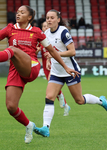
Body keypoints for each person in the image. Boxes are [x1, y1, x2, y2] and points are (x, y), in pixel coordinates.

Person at [0, 5, 79, 144]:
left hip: (32, 66)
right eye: (17, 12)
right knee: (11, 107)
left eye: (22, 12)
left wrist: (65, 67)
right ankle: (29, 126)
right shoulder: (10, 28)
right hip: (15, 71)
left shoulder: (37, 32)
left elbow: (52, 51)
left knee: (12, 49)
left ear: (29, 17)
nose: (18, 14)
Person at [34, 9, 107, 138]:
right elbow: (47, 50)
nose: (49, 20)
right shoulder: (45, 33)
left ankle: (102, 101)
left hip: (70, 70)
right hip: (56, 72)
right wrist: (47, 59)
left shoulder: (63, 32)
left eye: (52, 18)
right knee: (49, 97)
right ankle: (46, 128)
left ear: (58, 19)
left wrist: (54, 55)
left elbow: (72, 52)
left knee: (79, 100)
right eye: (47, 18)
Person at [37, 21, 71, 116]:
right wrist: (37, 50)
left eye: (47, 26)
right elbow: (38, 49)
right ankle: (66, 106)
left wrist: (49, 60)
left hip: (53, 63)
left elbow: (52, 51)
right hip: (45, 64)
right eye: (44, 26)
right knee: (52, 89)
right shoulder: (42, 39)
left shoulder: (52, 38)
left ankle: (60, 96)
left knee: (51, 83)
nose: (46, 27)